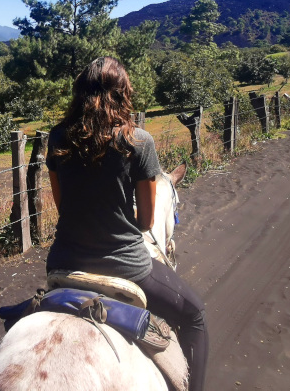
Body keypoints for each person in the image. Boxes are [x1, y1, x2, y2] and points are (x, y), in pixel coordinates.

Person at [45, 56, 208, 391]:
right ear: (122, 93)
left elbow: (63, 207)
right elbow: (147, 220)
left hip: (63, 261)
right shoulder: (138, 141)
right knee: (195, 317)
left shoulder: (59, 138)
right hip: (126, 266)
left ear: (80, 92)